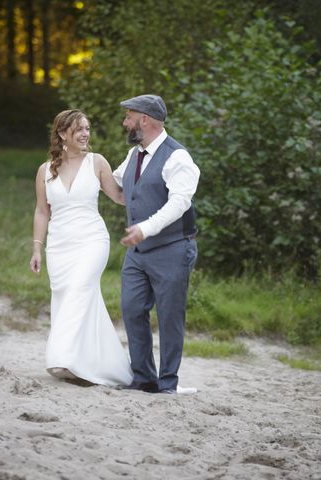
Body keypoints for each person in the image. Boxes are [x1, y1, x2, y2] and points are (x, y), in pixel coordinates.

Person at [29, 109, 133, 388]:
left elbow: (120, 197)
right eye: (79, 130)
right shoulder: (45, 170)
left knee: (79, 290)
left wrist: (146, 179)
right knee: (67, 298)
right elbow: (41, 212)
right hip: (60, 246)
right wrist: (37, 248)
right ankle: (91, 363)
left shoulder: (96, 162)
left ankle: (62, 358)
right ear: (63, 134)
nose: (86, 134)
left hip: (92, 240)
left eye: (87, 128)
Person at [113, 94, 200, 394]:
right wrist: (79, 165)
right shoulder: (133, 155)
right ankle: (144, 378)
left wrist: (145, 229)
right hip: (137, 252)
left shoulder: (178, 157)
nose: (125, 122)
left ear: (144, 120)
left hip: (172, 248)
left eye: (128, 116)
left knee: (169, 315)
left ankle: (167, 383)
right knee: (132, 308)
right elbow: (118, 186)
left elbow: (178, 204)